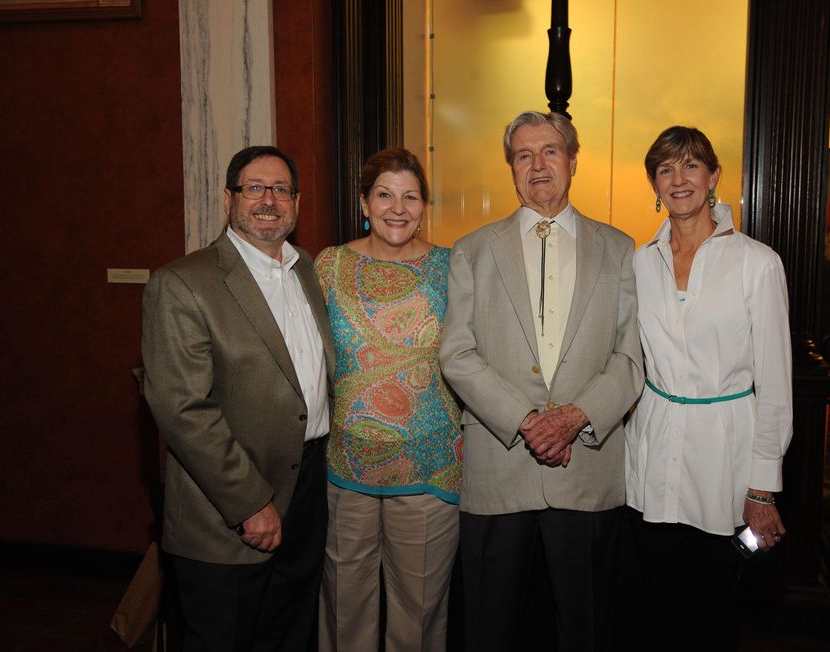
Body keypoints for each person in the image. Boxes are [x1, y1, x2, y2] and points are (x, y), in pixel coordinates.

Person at [439, 110, 644, 652]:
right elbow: (457, 354)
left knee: (587, 627)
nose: (537, 164)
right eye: (523, 154)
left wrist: (574, 418)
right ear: (510, 168)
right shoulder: (473, 250)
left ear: (573, 161)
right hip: (498, 471)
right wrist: (527, 422)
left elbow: (631, 358)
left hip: (587, 471)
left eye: (550, 151)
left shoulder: (622, 250)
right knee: (490, 627)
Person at [142, 146, 333, 651]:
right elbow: (184, 409)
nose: (268, 200)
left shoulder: (308, 271)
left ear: (297, 202)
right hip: (228, 507)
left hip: (309, 489)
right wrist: (251, 503)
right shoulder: (184, 283)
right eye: (254, 188)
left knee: (291, 634)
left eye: (281, 190)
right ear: (228, 199)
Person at [624, 126, 793, 648]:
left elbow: (776, 384)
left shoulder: (756, 263)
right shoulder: (638, 263)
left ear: (714, 177)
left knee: (714, 607)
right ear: (654, 183)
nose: (679, 179)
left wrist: (762, 488)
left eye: (691, 165)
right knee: (653, 606)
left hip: (725, 457)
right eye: (666, 169)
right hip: (652, 455)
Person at [316, 148, 462, 651]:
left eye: (411, 196)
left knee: (418, 615)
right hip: (347, 463)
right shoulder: (330, 266)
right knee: (344, 607)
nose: (397, 208)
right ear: (364, 201)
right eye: (384, 194)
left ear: (424, 206)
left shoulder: (451, 267)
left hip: (428, 464)